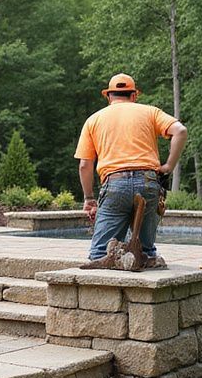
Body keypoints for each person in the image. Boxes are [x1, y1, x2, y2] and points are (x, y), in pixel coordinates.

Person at [75, 73, 187, 264]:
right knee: (146, 251)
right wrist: (168, 166)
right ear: (134, 95)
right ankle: (142, 257)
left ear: (108, 96)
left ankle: (117, 260)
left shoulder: (94, 119)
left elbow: (85, 165)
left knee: (99, 255)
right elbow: (180, 131)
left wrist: (89, 199)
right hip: (149, 182)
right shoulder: (151, 112)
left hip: (115, 183)